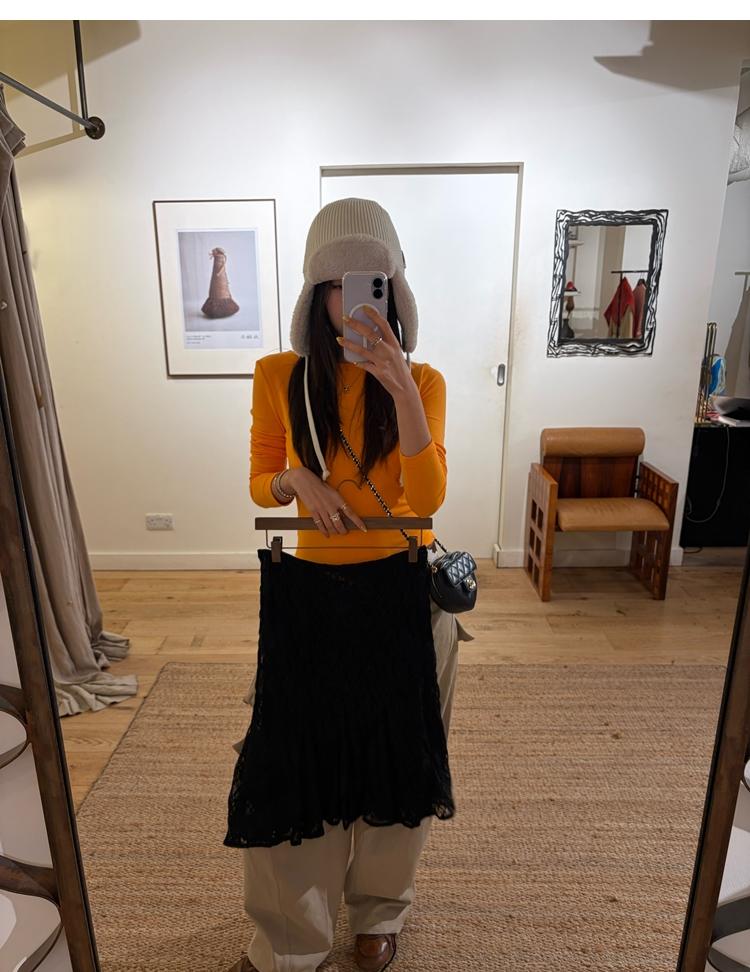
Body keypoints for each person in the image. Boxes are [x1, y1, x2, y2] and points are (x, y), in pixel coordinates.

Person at [226, 197, 474, 972]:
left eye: (372, 281)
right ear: (315, 295)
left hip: (404, 594)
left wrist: (401, 389)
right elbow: (259, 477)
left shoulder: (424, 381)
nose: (354, 297)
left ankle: (379, 913)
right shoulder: (279, 376)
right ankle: (290, 937)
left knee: (399, 765)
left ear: (394, 290)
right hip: (309, 594)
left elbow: (427, 495)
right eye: (337, 283)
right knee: (293, 763)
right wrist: (295, 479)